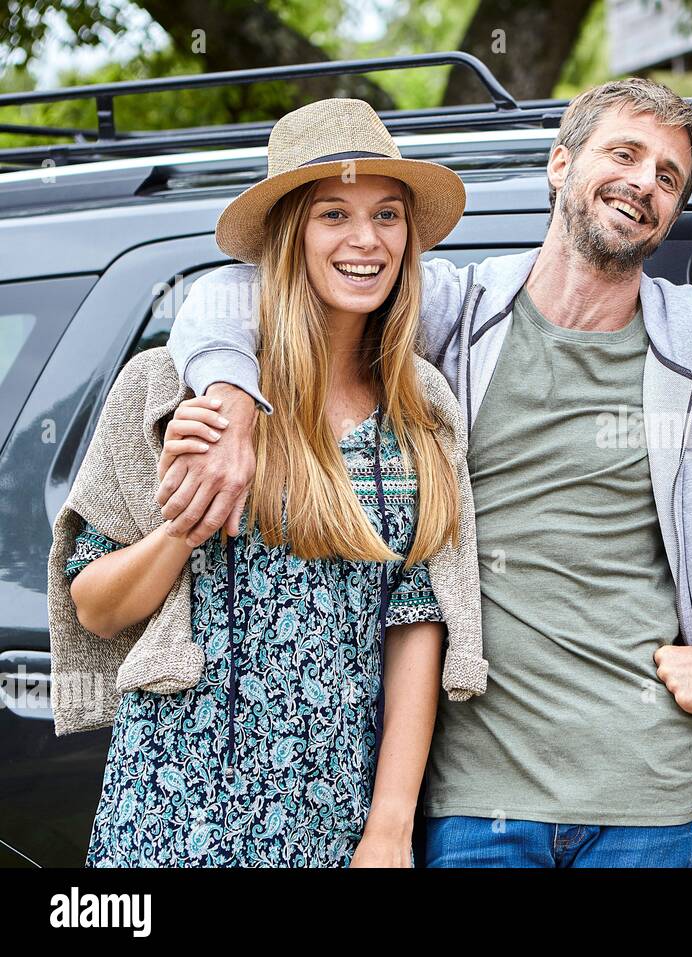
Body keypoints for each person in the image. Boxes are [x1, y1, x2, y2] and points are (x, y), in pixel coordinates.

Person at [158, 79, 692, 867]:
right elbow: (238, 289)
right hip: (478, 799)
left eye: (668, 177)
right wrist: (232, 393)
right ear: (560, 164)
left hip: (646, 799)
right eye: (624, 153)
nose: (644, 182)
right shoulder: (458, 310)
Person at [46, 98, 486, 867]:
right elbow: (95, 608)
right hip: (173, 811)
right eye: (333, 215)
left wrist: (388, 827)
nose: (365, 240)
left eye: (387, 214)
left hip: (332, 812)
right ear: (289, 235)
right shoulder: (171, 391)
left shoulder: (423, 411)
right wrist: (186, 520)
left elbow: (416, 626)